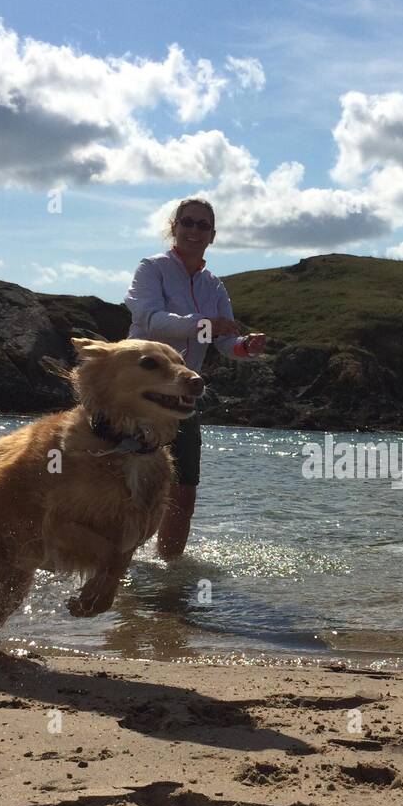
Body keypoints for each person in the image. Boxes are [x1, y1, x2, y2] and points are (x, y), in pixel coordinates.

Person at [123, 198, 265, 560]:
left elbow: (224, 341)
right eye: (188, 222)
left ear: (212, 236)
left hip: (183, 398)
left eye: (203, 225)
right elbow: (151, 319)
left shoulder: (214, 286)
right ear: (174, 227)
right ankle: (114, 564)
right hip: (138, 393)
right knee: (126, 485)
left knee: (183, 491)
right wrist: (205, 323)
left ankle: (169, 577)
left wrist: (245, 347)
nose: (194, 230)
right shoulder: (151, 269)